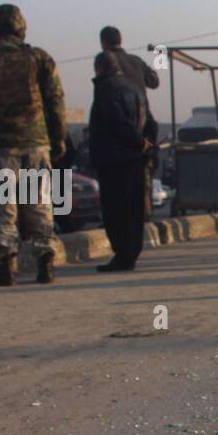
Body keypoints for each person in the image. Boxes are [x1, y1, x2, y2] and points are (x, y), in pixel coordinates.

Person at [0, 4, 66, 285]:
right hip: (36, 144)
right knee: (39, 203)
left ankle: (5, 266)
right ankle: (46, 263)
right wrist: (59, 138)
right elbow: (55, 102)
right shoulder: (40, 58)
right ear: (22, 28)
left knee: (2, 206)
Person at [88, 52, 155, 272]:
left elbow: (115, 121)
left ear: (99, 68)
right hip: (136, 159)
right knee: (133, 210)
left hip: (113, 159)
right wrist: (145, 144)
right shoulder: (135, 87)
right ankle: (131, 253)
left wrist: (136, 142)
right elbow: (150, 122)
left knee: (115, 210)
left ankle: (122, 255)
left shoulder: (106, 88)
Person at [101, 26, 160, 222]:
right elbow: (155, 81)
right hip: (143, 123)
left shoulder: (106, 61)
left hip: (118, 129)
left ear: (104, 43)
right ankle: (143, 216)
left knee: (118, 183)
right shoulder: (135, 61)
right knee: (141, 177)